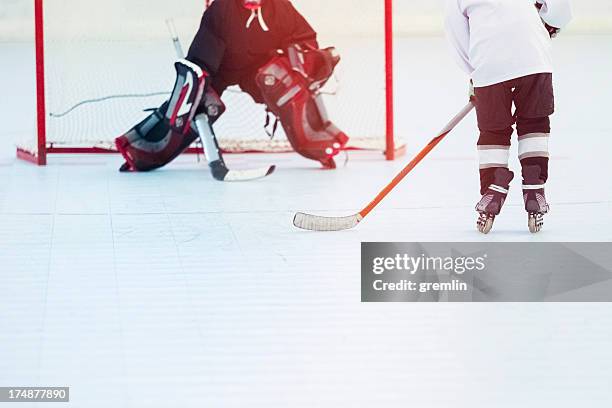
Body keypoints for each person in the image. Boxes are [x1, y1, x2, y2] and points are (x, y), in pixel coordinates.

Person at [115, 0, 349, 181]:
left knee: (286, 85)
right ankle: (142, 152)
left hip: (258, 68)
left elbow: (303, 38)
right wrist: (197, 86)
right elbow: (200, 59)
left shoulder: (279, 7)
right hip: (220, 68)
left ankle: (319, 146)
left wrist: (305, 61)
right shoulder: (221, 8)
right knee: (198, 102)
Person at [444, 0, 573, 233]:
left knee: (494, 130)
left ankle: (493, 190)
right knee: (534, 122)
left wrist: (475, 73)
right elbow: (560, 9)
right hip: (534, 57)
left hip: (489, 62)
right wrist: (551, 23)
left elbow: (456, 31)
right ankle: (535, 189)